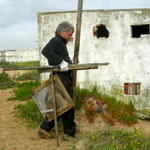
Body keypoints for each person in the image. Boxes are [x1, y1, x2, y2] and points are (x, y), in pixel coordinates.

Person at [39, 21, 76, 139]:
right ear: (62, 32)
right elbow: (45, 51)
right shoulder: (56, 41)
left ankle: (45, 128)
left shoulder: (61, 42)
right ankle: (69, 133)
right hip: (61, 78)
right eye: (69, 34)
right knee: (67, 105)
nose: (71, 37)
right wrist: (61, 62)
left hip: (61, 77)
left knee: (59, 104)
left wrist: (66, 63)